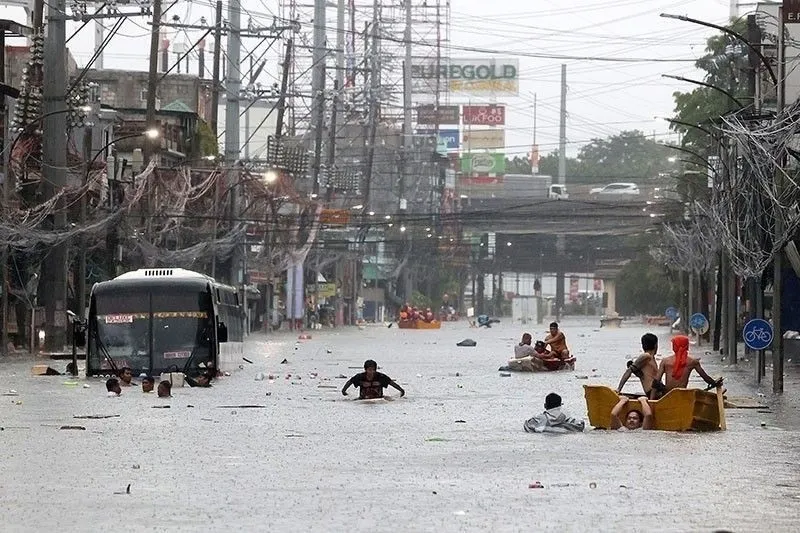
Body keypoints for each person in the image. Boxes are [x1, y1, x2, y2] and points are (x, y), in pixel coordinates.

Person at [655, 335, 721, 392]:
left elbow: (656, 382)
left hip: (667, 395)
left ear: (674, 347)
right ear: (686, 346)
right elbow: (706, 378)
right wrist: (715, 383)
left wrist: (663, 390)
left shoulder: (665, 361)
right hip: (683, 395)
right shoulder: (693, 362)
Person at [615, 333, 666, 399]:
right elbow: (629, 371)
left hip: (658, 389)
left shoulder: (651, 357)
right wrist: (619, 389)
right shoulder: (646, 356)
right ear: (656, 345)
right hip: (653, 392)